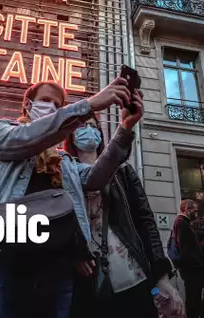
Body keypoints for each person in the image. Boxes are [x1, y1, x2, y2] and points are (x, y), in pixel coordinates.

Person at [0, 78, 144, 318]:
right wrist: (89, 105)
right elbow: (27, 138)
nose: (52, 108)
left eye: (58, 106)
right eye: (46, 101)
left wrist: (125, 129)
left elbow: (96, 177)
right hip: (0, 253)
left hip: (55, 262)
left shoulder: (65, 161)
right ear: (27, 104)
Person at [63, 113, 183, 318]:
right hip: (85, 278)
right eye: (81, 126)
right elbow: (59, 225)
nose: (88, 130)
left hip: (132, 274)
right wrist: (73, 252)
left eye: (93, 126)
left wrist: (161, 277)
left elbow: (145, 222)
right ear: (71, 135)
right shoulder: (64, 173)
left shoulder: (123, 172)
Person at [172, 199, 204, 318]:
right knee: (193, 300)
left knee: (195, 299)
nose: (196, 214)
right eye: (194, 211)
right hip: (192, 270)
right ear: (187, 210)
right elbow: (185, 249)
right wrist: (197, 264)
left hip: (192, 269)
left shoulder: (184, 223)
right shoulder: (182, 223)